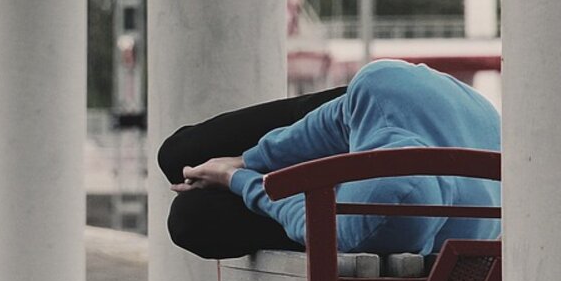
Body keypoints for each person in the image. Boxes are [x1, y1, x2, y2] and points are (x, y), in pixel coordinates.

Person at [158, 59, 500, 259]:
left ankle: (224, 179)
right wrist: (246, 161)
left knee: (191, 216)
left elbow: (304, 216)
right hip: (401, 104)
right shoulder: (378, 92)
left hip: (429, 113)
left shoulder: (373, 227)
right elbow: (323, 128)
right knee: (179, 158)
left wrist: (233, 177)